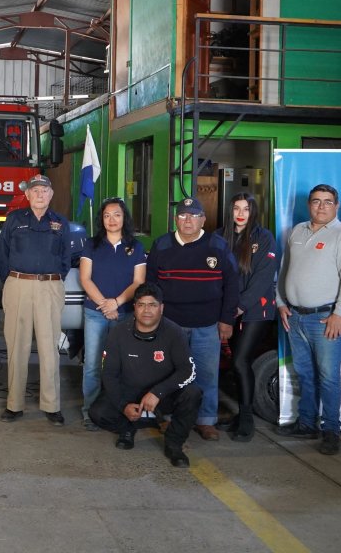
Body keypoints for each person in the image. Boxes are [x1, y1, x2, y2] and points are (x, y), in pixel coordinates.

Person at [276, 184, 341, 455]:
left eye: (327, 202)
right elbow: (283, 269)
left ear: (336, 206)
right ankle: (306, 423)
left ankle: (331, 431)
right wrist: (280, 303)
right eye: (316, 201)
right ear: (309, 205)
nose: (321, 206)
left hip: (326, 318)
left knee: (328, 377)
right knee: (304, 373)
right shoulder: (297, 231)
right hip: (295, 316)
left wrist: (340, 313)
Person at [146, 197, 239, 442]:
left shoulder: (217, 245)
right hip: (170, 324)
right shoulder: (162, 245)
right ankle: (167, 418)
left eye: (194, 215)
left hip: (207, 324)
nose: (188, 220)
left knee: (207, 374)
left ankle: (205, 421)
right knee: (168, 373)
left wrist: (226, 320)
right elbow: (151, 286)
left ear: (203, 220)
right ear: (175, 219)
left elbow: (232, 285)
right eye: (183, 215)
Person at [89, 283, 201, 468]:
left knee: (193, 393)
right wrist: (123, 406)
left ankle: (174, 444)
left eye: (152, 305)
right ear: (134, 307)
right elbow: (109, 374)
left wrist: (158, 392)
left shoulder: (174, 332)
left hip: (161, 397)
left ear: (161, 308)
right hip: (129, 394)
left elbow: (188, 370)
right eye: (141, 304)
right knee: (97, 413)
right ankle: (128, 427)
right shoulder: (118, 333)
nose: (146, 310)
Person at [0, 174, 72, 426]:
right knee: (17, 346)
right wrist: (12, 280)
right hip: (18, 285)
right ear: (27, 194)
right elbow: (2, 254)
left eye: (44, 191)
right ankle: (14, 404)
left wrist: (53, 278)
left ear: (51, 195)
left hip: (49, 287)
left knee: (50, 348)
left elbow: (65, 258)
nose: (40, 194)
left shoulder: (60, 222)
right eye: (35, 190)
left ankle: (51, 405)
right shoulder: (14, 219)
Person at [79, 197, 146, 429]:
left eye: (116, 214)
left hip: (125, 313)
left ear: (124, 217)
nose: (112, 220)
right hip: (95, 313)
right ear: (101, 219)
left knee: (125, 365)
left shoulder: (135, 247)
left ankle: (122, 409)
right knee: (92, 365)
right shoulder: (91, 245)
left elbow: (139, 282)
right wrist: (105, 305)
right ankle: (90, 411)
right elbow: (85, 278)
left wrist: (116, 303)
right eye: (107, 215)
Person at [217, 192, 278, 442]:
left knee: (241, 360)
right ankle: (239, 414)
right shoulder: (221, 236)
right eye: (236, 209)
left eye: (246, 209)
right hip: (229, 309)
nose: (241, 214)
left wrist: (237, 308)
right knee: (235, 363)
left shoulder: (264, 237)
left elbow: (262, 278)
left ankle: (246, 419)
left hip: (256, 309)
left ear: (254, 212)